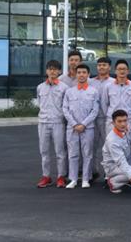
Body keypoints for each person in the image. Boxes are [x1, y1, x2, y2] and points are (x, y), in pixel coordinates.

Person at [62, 64, 100, 189]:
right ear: (76, 74)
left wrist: (83, 124)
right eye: (79, 72)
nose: (81, 75)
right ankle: (73, 179)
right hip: (72, 128)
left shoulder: (94, 91)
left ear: (88, 74)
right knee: (73, 154)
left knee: (87, 154)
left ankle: (85, 179)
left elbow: (95, 110)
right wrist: (74, 124)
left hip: (87, 128)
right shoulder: (69, 91)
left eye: (84, 72)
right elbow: (65, 109)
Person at [35, 59, 69, 188]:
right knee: (44, 151)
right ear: (46, 71)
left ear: (59, 71)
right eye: (50, 69)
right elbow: (39, 103)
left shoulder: (64, 88)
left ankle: (61, 177)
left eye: (55, 69)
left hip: (58, 122)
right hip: (43, 122)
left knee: (60, 151)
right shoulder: (40, 87)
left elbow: (65, 106)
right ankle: (46, 176)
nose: (52, 71)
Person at [89, 57, 115, 179]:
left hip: (107, 119)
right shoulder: (90, 82)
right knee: (91, 147)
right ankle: (92, 171)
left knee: (109, 147)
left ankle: (108, 173)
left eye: (104, 65)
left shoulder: (113, 82)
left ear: (109, 67)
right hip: (92, 119)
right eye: (99, 65)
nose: (101, 67)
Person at [103, 60, 131, 132]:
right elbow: (104, 104)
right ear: (115, 71)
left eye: (124, 69)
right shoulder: (108, 86)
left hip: (128, 121)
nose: (122, 71)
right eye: (119, 69)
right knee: (112, 139)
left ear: (128, 71)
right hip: (112, 121)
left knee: (128, 139)